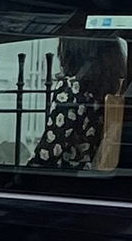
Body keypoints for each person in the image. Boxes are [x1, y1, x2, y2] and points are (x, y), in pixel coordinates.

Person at [30, 33, 126, 175]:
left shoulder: (71, 88)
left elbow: (51, 148)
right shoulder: (115, 89)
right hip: (97, 172)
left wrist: (20, 174)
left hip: (70, 176)